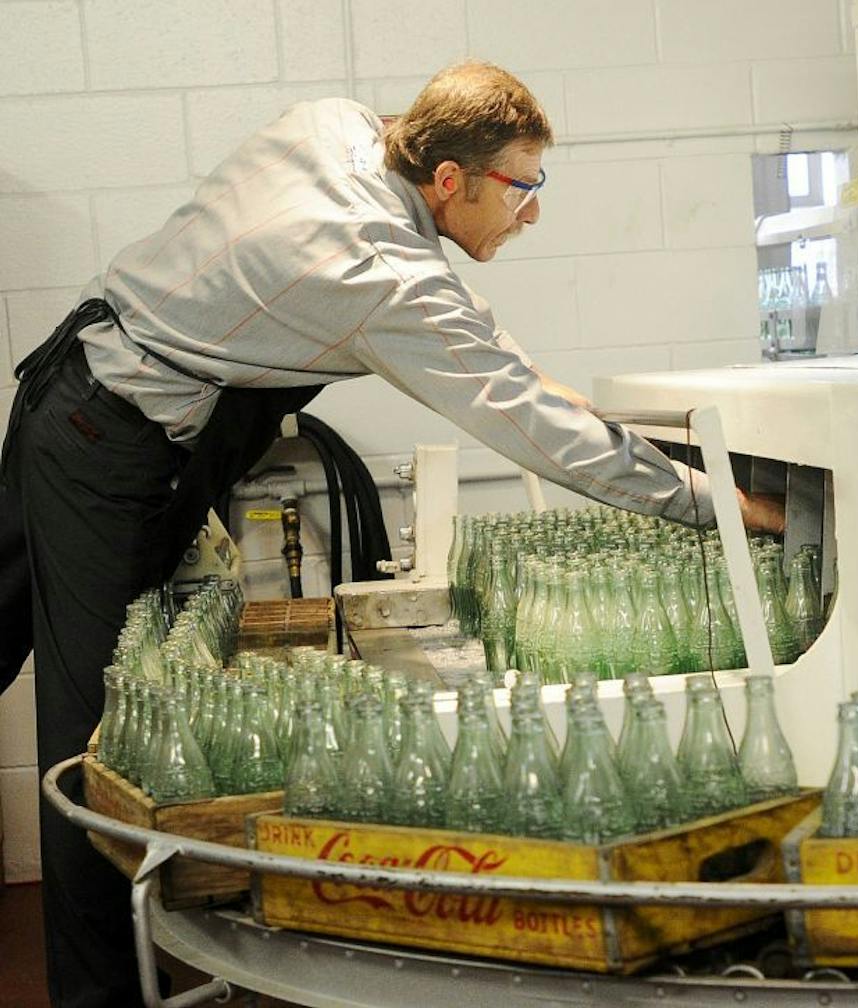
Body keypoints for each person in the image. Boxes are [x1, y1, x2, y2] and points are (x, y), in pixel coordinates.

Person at [0, 61, 783, 1007]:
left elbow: (503, 375)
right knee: (104, 730)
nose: (532, 213)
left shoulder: (335, 126)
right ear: (449, 181)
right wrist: (718, 506)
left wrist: (578, 404)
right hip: (108, 436)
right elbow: (527, 423)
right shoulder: (383, 276)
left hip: (77, 383)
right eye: (523, 188)